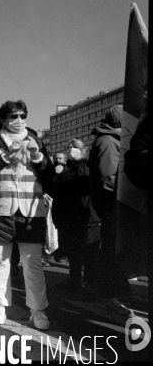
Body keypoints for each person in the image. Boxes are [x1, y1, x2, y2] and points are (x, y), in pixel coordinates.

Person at [0, 100, 53, 330]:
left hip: (30, 211)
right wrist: (6, 157)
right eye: (13, 116)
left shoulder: (35, 139)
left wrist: (38, 156)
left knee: (33, 264)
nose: (18, 120)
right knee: (0, 260)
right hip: (0, 209)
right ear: (3, 120)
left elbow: (48, 172)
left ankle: (37, 310)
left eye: (21, 116)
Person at [88, 105, 132, 315]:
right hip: (112, 203)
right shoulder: (108, 141)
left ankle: (116, 290)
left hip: (113, 203)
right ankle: (107, 294)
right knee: (110, 249)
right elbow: (108, 177)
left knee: (115, 248)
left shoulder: (112, 139)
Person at [50, 139, 100, 293]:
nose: (71, 150)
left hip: (87, 218)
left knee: (90, 253)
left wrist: (80, 162)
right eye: (69, 147)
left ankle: (90, 284)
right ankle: (75, 281)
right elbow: (54, 191)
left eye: (75, 147)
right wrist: (55, 175)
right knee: (73, 253)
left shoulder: (88, 166)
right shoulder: (63, 170)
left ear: (82, 150)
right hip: (68, 219)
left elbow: (89, 183)